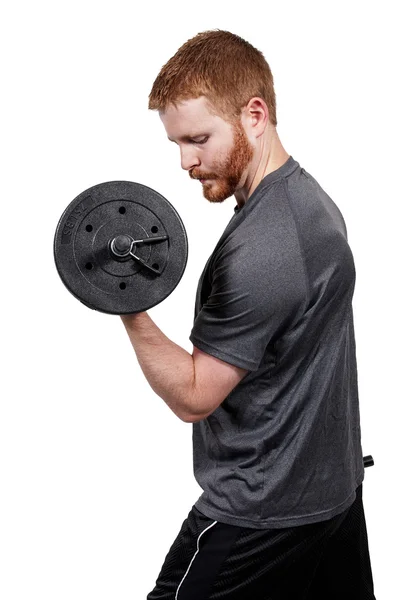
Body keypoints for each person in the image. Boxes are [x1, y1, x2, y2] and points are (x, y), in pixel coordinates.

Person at [120, 30, 376, 599]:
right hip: (330, 495)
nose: (186, 161)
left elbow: (194, 395)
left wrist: (127, 305)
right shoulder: (307, 201)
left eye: (198, 139)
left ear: (254, 114)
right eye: (177, 144)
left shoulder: (265, 246)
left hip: (261, 513)